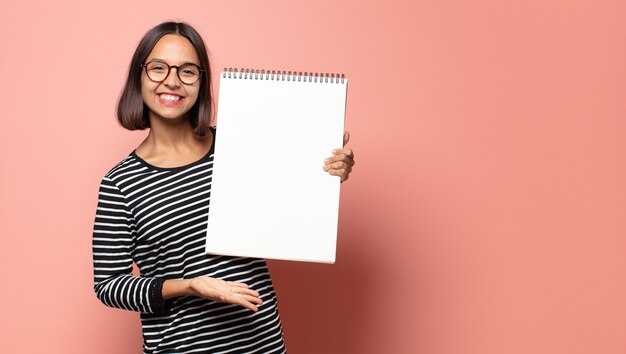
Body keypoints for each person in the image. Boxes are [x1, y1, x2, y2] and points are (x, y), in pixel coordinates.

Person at [92, 21, 355, 353]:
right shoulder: (120, 183)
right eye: (158, 68)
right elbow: (109, 286)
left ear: (201, 83)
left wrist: (328, 172)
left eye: (187, 71)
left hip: (260, 341)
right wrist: (190, 286)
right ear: (139, 76)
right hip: (179, 347)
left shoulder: (238, 143)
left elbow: (289, 197)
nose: (172, 81)